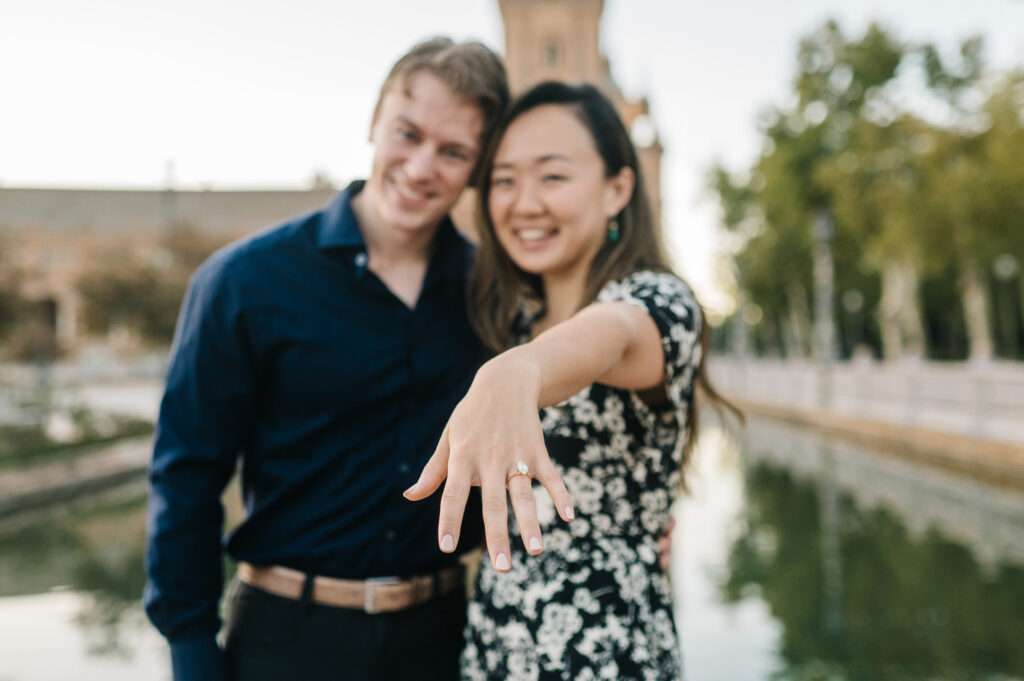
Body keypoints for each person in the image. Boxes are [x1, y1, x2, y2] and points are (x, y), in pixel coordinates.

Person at [143, 37, 511, 681]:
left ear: (476, 168)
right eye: (408, 133)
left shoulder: (492, 293)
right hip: (285, 641)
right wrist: (191, 651)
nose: (422, 166)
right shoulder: (244, 281)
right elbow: (186, 478)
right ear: (374, 121)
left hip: (444, 641)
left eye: (453, 152)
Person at [405, 81, 738, 679]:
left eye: (552, 177)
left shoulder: (656, 302)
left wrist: (519, 369)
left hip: (607, 658)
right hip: (495, 647)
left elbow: (609, 334)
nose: (524, 203)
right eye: (504, 180)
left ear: (618, 189)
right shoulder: (509, 313)